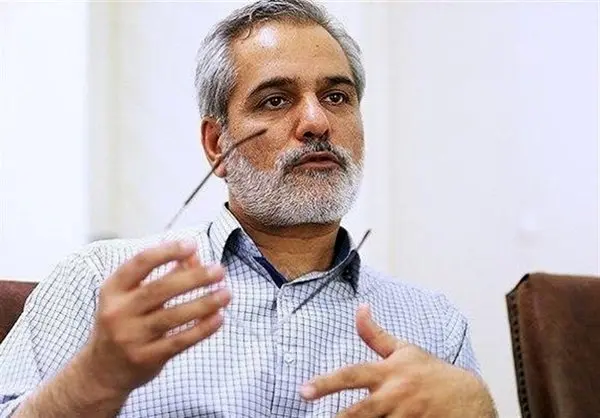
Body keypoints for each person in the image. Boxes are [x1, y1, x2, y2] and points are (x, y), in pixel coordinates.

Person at [0, 0, 497, 416]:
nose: (317, 121)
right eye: (276, 100)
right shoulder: (97, 283)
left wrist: (481, 411)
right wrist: (93, 380)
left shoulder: (433, 325)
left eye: (336, 96)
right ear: (216, 145)